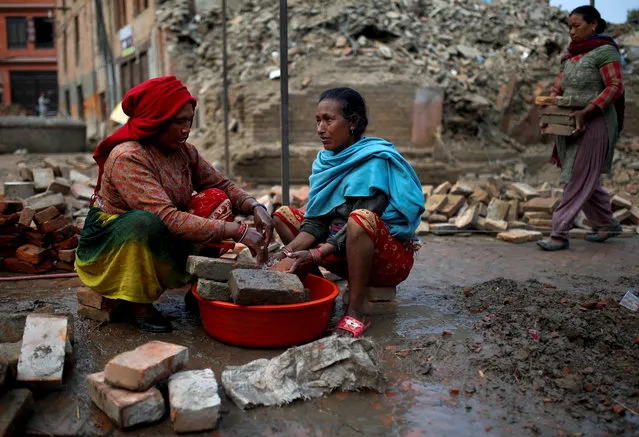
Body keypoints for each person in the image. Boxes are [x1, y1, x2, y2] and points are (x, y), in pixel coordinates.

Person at [74, 76, 273, 333]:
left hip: (163, 228)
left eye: (189, 121)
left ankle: (199, 286)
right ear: (155, 120)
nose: (186, 129)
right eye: (179, 122)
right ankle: (139, 304)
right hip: (114, 243)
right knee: (143, 223)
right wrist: (240, 232)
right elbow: (166, 218)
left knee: (216, 199)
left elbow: (222, 185)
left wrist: (255, 206)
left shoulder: (183, 151)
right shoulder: (128, 157)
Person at [271, 87, 424, 337]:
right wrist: (284, 254)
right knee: (283, 216)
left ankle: (355, 311)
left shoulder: (375, 161)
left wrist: (316, 254)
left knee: (359, 219)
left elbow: (361, 222)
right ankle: (318, 293)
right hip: (340, 253)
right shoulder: (325, 162)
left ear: (352, 122)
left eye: (328, 120)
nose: (321, 128)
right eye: (318, 120)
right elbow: (316, 223)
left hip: (383, 259)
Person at [537, 5, 625, 251]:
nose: (571, 32)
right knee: (583, 176)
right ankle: (606, 224)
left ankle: (559, 232)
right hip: (567, 124)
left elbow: (614, 87)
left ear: (594, 24)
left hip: (595, 123)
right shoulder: (570, 56)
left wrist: (587, 111)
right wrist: (549, 109)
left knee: (576, 178)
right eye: (569, 27)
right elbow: (558, 88)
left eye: (577, 26)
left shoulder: (605, 52)